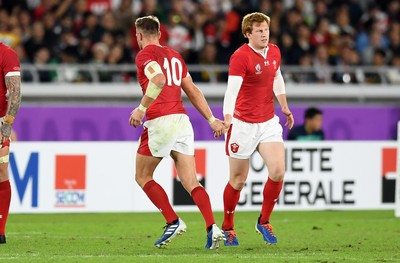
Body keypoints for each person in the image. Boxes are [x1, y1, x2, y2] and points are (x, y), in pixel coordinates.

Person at [128, 15, 225, 249]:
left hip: (161, 121)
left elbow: (158, 79)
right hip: (182, 121)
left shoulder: (144, 55)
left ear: (139, 36)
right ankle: (212, 227)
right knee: (190, 181)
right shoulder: (175, 56)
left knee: (142, 176)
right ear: (160, 34)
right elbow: (191, 90)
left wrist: (141, 109)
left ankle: (173, 221)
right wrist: (212, 119)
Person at [221, 12, 294, 246]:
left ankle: (264, 221)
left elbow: (277, 76)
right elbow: (231, 91)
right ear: (248, 34)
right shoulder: (240, 57)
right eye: (259, 31)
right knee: (238, 180)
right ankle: (228, 227)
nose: (264, 34)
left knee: (278, 172)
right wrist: (227, 118)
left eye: (266, 30)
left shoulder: (274, 51)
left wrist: (283, 105)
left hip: (267, 123)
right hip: (242, 124)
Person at [0, 42, 22, 244]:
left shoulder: (6, 54)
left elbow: (15, 93)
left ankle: (0, 230)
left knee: (1, 172)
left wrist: (7, 124)